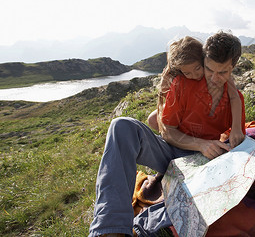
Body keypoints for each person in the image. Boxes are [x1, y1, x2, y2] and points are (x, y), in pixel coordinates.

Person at [88, 31, 245, 237]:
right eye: (208, 69)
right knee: (121, 125)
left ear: (233, 68)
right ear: (203, 60)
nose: (215, 78)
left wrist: (233, 133)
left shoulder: (234, 96)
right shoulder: (182, 82)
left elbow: (236, 140)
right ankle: (111, 230)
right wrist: (200, 144)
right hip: (171, 151)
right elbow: (167, 132)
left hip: (202, 164)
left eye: (223, 73)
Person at [147, 36, 244, 148]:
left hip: (193, 119)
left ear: (203, 59)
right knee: (153, 119)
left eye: (198, 69)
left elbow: (235, 97)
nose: (194, 76)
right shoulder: (179, 80)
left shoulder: (220, 75)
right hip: (181, 112)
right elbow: (166, 96)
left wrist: (236, 127)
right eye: (188, 74)